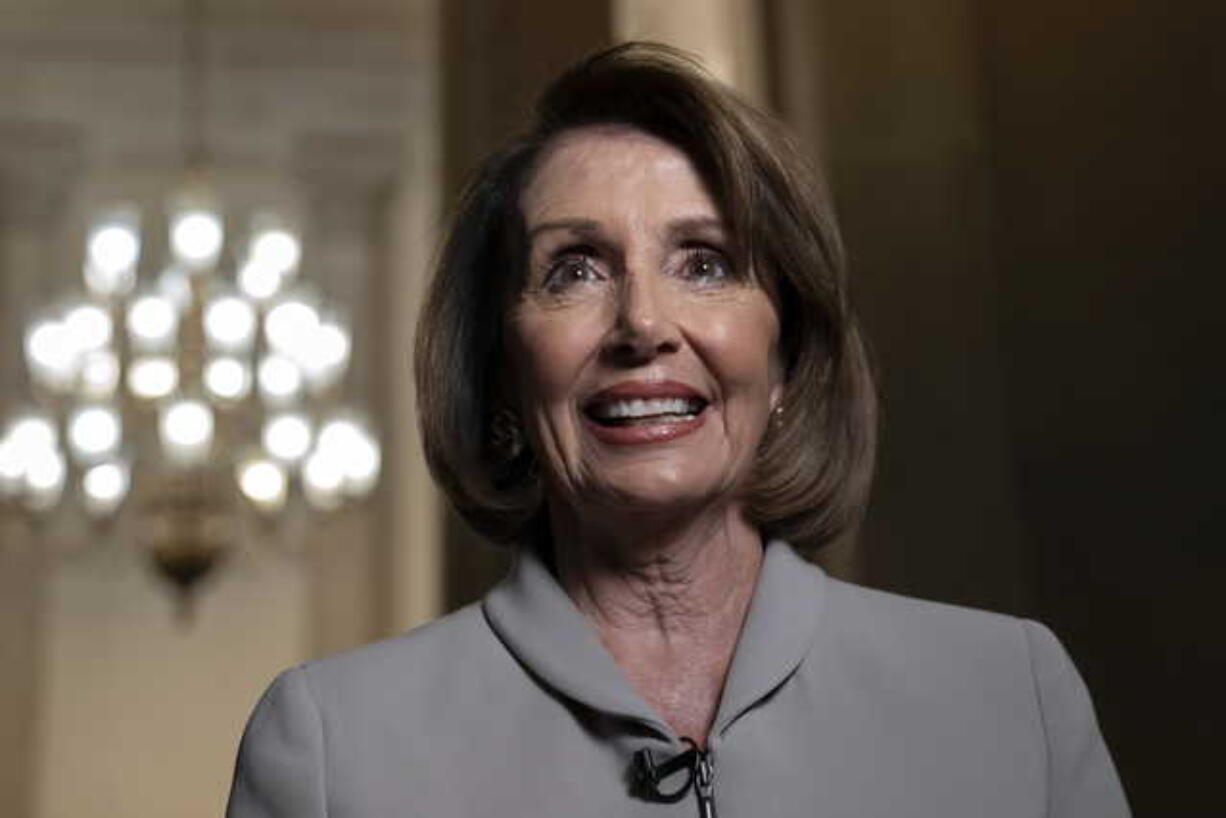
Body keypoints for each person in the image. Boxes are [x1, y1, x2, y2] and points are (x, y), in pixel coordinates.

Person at [226, 43, 1129, 817]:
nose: (643, 325)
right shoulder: (334, 750)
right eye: (574, 269)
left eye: (705, 262)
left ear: (785, 355)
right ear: (500, 367)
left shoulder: (1010, 696)